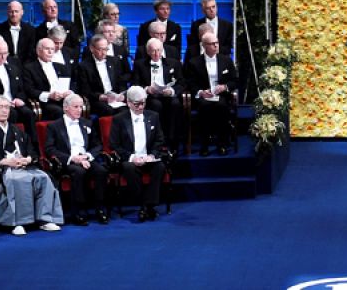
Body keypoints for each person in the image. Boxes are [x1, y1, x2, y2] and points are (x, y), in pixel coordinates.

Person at [0, 96, 64, 235]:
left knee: (43, 177)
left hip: (24, 166)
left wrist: (28, 158)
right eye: (1, 107)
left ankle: (45, 219)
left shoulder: (17, 130)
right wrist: (5, 161)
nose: (5, 111)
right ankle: (18, 222)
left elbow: (31, 149)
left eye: (7, 107)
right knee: (18, 180)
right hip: (6, 169)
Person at [44, 93, 111, 225]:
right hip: (68, 161)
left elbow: (97, 145)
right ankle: (77, 212)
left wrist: (87, 156)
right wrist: (72, 159)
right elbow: (49, 149)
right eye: (76, 107)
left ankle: (99, 209)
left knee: (101, 171)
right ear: (65, 108)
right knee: (78, 172)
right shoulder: (54, 126)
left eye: (81, 106)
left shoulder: (88, 123)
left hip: (86, 159)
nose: (80, 110)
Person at [110, 86, 170, 222]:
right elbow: (114, 144)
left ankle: (150, 205)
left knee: (159, 167)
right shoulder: (119, 119)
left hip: (148, 157)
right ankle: (143, 205)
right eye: (137, 104)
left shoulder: (153, 116)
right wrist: (132, 157)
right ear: (129, 103)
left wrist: (152, 155)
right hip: (130, 158)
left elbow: (159, 140)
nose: (140, 107)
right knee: (129, 168)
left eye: (143, 103)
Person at [184, 31, 239, 156]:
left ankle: (223, 143)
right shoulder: (194, 62)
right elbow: (190, 83)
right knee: (204, 107)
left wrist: (224, 87)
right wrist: (201, 92)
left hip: (221, 95)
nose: (216, 46)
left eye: (217, 43)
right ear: (204, 46)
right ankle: (204, 145)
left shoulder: (226, 60)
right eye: (212, 44)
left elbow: (235, 81)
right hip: (204, 96)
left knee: (222, 106)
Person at [24, 37, 75, 123]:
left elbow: (72, 83)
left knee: (76, 107)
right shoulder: (29, 68)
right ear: (38, 51)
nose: (50, 52)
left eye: (52, 49)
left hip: (64, 99)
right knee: (59, 111)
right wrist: (49, 95)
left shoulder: (61, 67)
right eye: (47, 49)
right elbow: (29, 90)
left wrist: (70, 92)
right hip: (45, 102)